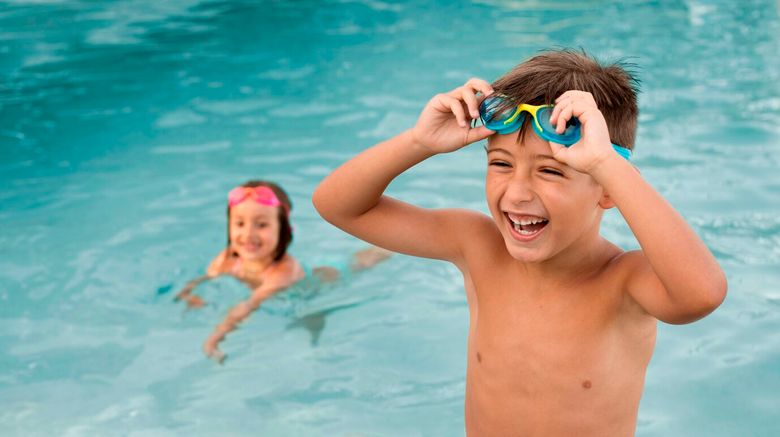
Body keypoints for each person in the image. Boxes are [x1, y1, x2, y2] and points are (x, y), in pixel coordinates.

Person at [312, 49, 727, 436]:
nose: (517, 193)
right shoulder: (477, 247)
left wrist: (605, 162)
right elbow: (339, 206)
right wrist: (419, 142)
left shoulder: (623, 281)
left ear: (608, 190)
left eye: (550, 171)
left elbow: (702, 294)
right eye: (501, 164)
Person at [175, 180, 390, 363]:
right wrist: (190, 295)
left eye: (261, 225)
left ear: (283, 230)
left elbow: (249, 305)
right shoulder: (227, 258)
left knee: (361, 262)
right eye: (239, 223)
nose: (248, 234)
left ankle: (388, 245)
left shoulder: (282, 272)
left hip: (324, 278)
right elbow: (205, 278)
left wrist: (215, 338)